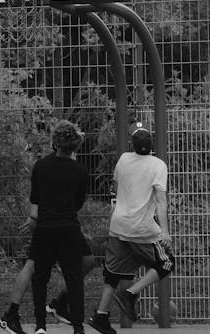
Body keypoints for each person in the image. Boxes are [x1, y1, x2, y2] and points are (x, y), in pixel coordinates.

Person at [88, 122, 175, 334]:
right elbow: (161, 200)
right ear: (151, 143)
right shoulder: (158, 165)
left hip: (118, 225)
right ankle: (130, 293)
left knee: (113, 274)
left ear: (132, 144)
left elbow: (117, 188)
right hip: (142, 228)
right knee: (166, 263)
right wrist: (164, 231)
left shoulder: (124, 160)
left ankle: (101, 316)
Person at [6, 120, 88, 334]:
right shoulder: (79, 171)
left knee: (40, 277)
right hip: (69, 228)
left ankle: (40, 325)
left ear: (55, 142)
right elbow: (79, 201)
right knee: (74, 276)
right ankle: (78, 327)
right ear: (75, 145)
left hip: (45, 227)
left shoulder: (41, 167)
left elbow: (36, 198)